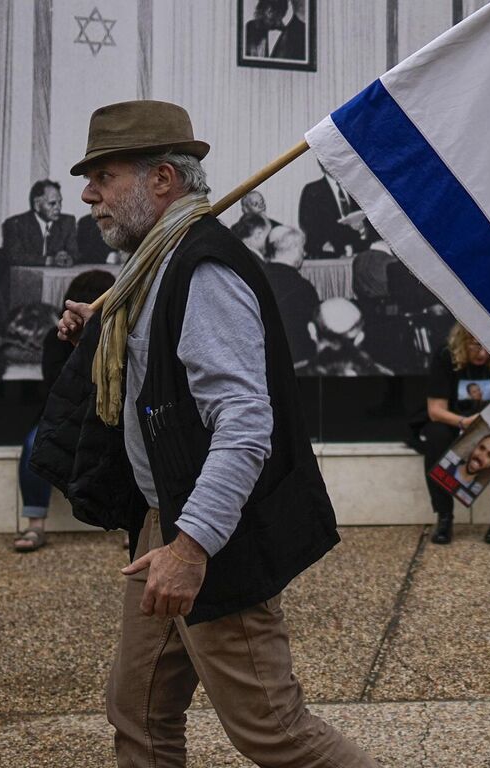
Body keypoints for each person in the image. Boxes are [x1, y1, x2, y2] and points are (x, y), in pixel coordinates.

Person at [40, 99, 376, 765]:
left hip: (210, 534)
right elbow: (163, 363)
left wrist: (190, 550)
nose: (88, 194)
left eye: (104, 176)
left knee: (274, 732)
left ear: (161, 179)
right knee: (137, 713)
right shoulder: (153, 265)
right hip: (162, 523)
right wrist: (105, 327)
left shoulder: (204, 269)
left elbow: (246, 427)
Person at [14, 269, 116, 553]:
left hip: (110, 414)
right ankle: (35, 524)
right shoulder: (57, 336)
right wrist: (83, 345)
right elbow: (58, 385)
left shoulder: (121, 332)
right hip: (66, 416)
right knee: (34, 444)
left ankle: (132, 526)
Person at [419, 323, 490, 544]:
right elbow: (435, 411)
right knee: (435, 436)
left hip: (488, 426)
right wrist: (464, 422)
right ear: (462, 341)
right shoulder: (445, 356)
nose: (482, 353)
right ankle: (444, 517)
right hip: (454, 421)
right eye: (475, 345)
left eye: (486, 346)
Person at [0, 179, 79, 328]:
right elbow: (14, 256)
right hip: (19, 292)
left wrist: (68, 258)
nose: (58, 208)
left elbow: (76, 252)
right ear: (37, 204)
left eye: (60, 202)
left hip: (55, 293)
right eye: (52, 204)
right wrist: (50, 260)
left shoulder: (67, 222)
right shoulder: (15, 224)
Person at [259, 225, 319, 369]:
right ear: (294, 248)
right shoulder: (302, 288)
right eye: (302, 248)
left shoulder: (256, 278)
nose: (304, 253)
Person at [299, 169, 361, 260]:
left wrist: (362, 227)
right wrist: (338, 246)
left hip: (359, 255)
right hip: (327, 256)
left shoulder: (355, 188)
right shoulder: (312, 190)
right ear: (322, 163)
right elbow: (308, 224)